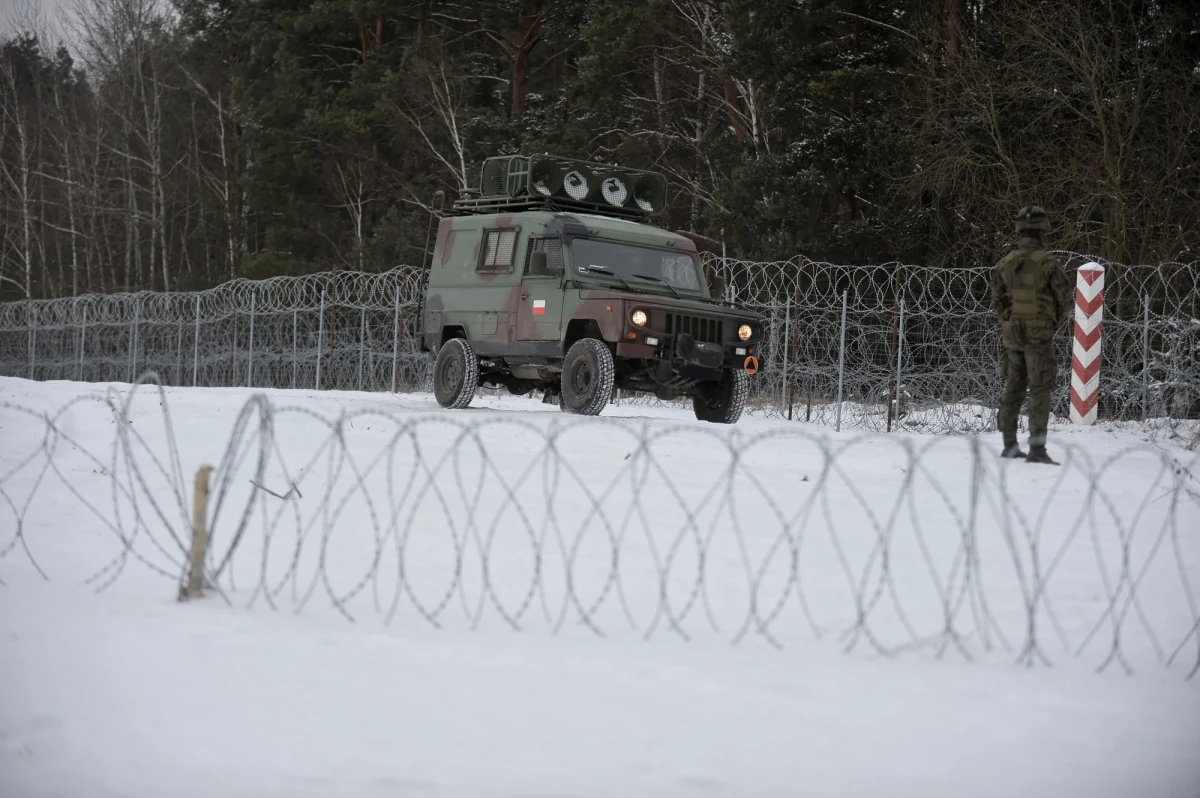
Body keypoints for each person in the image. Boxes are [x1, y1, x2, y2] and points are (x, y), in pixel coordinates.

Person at [990, 205, 1073, 464]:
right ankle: (1037, 448)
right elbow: (1065, 301)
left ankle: (1009, 444)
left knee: (1013, 385)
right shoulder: (1049, 264)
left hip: (1013, 332)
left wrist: (1009, 321)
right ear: (1043, 230)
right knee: (1039, 387)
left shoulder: (1006, 263)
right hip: (1039, 331)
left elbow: (997, 300)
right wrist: (1048, 323)